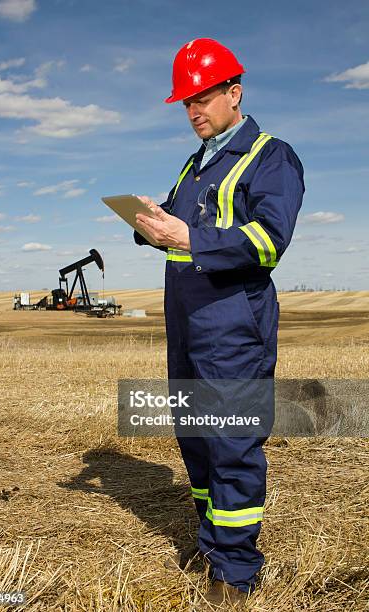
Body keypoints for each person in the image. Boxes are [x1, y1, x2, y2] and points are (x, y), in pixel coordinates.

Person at [133, 38, 304, 610]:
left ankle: (234, 570)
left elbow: (268, 240)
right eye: (185, 103)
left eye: (201, 98)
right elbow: (181, 222)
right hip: (186, 317)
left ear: (235, 92)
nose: (193, 112)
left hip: (233, 321)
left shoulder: (271, 156)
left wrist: (189, 238)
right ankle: (214, 542)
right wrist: (152, 222)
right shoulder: (198, 162)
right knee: (196, 434)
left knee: (231, 438)